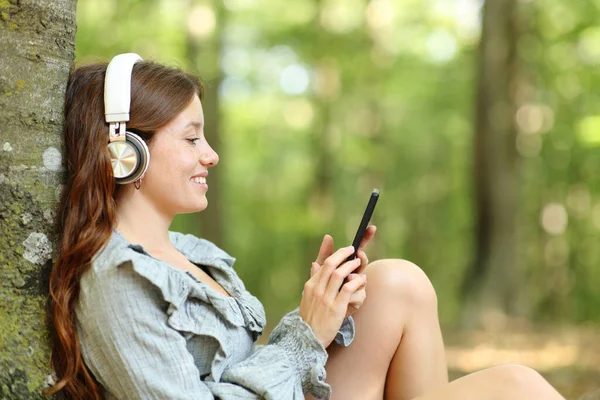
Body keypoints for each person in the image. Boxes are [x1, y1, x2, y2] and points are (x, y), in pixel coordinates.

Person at [45, 54, 565, 400]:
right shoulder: (116, 280)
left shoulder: (189, 253)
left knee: (398, 283)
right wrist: (305, 334)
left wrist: (325, 305)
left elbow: (253, 368)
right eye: (191, 139)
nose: (211, 154)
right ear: (124, 153)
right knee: (519, 386)